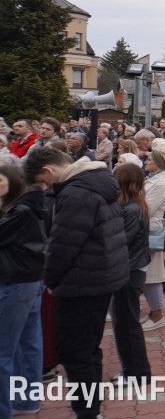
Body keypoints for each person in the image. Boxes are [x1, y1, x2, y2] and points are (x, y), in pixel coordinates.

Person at [31, 148, 128, 419]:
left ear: (48, 170)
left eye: (44, 181)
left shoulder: (77, 191)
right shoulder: (94, 181)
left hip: (83, 281)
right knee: (86, 350)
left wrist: (49, 279)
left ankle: (86, 412)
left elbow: (64, 244)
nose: (48, 188)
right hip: (99, 277)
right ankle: (90, 408)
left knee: (74, 352)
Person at [0, 165, 47, 418]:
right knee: (27, 343)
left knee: (5, 350)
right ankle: (26, 401)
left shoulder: (20, 210)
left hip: (15, 281)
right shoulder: (26, 206)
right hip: (29, 279)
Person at [109, 163, 152, 382]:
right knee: (123, 321)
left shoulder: (133, 208)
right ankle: (133, 370)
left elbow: (121, 240)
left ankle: (137, 372)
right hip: (129, 268)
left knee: (127, 323)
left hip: (130, 270)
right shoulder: (129, 205)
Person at [140, 139, 165, 331]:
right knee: (148, 275)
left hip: (151, 231)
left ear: (158, 163)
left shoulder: (161, 182)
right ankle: (154, 312)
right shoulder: (153, 179)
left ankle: (158, 314)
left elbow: (147, 208)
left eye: (149, 160)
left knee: (152, 275)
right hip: (145, 229)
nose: (145, 162)